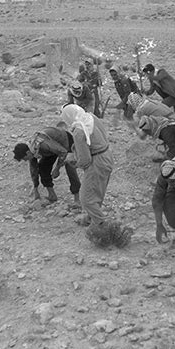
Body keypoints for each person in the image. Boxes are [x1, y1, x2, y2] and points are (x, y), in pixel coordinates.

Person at [60, 104, 132, 247]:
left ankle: (101, 225)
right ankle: (92, 218)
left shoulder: (79, 131)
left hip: (97, 161)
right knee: (97, 191)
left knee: (86, 198)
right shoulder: (90, 117)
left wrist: (74, 161)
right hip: (106, 154)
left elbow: (85, 160)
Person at [13, 127, 81, 204]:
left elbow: (63, 152)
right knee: (43, 167)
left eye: (24, 158)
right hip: (51, 149)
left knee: (70, 165)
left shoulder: (42, 144)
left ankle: (77, 198)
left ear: (27, 153)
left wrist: (57, 169)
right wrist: (36, 189)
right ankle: (52, 195)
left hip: (65, 142)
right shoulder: (32, 150)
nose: (25, 160)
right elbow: (34, 170)